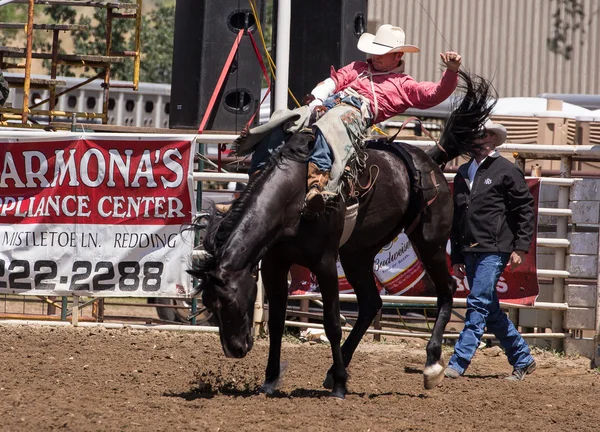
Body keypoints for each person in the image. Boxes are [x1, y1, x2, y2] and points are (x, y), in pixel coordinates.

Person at [220, 24, 462, 214]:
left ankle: (318, 184)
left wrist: (451, 72)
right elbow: (333, 82)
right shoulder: (358, 67)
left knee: (330, 125)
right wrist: (316, 100)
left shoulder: (403, 85)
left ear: (397, 56)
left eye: (382, 53)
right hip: (328, 105)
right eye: (375, 51)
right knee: (285, 120)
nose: (375, 56)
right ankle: (253, 189)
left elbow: (434, 95)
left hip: (355, 114)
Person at [445, 119, 537, 381]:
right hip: (472, 248)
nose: (481, 140)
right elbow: (458, 218)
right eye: (476, 136)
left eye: (485, 136)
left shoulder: (506, 170)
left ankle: (458, 362)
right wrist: (459, 255)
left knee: (477, 303)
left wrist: (520, 246)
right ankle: (523, 358)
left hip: (495, 249)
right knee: (488, 307)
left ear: (494, 140)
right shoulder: (463, 173)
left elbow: (524, 211)